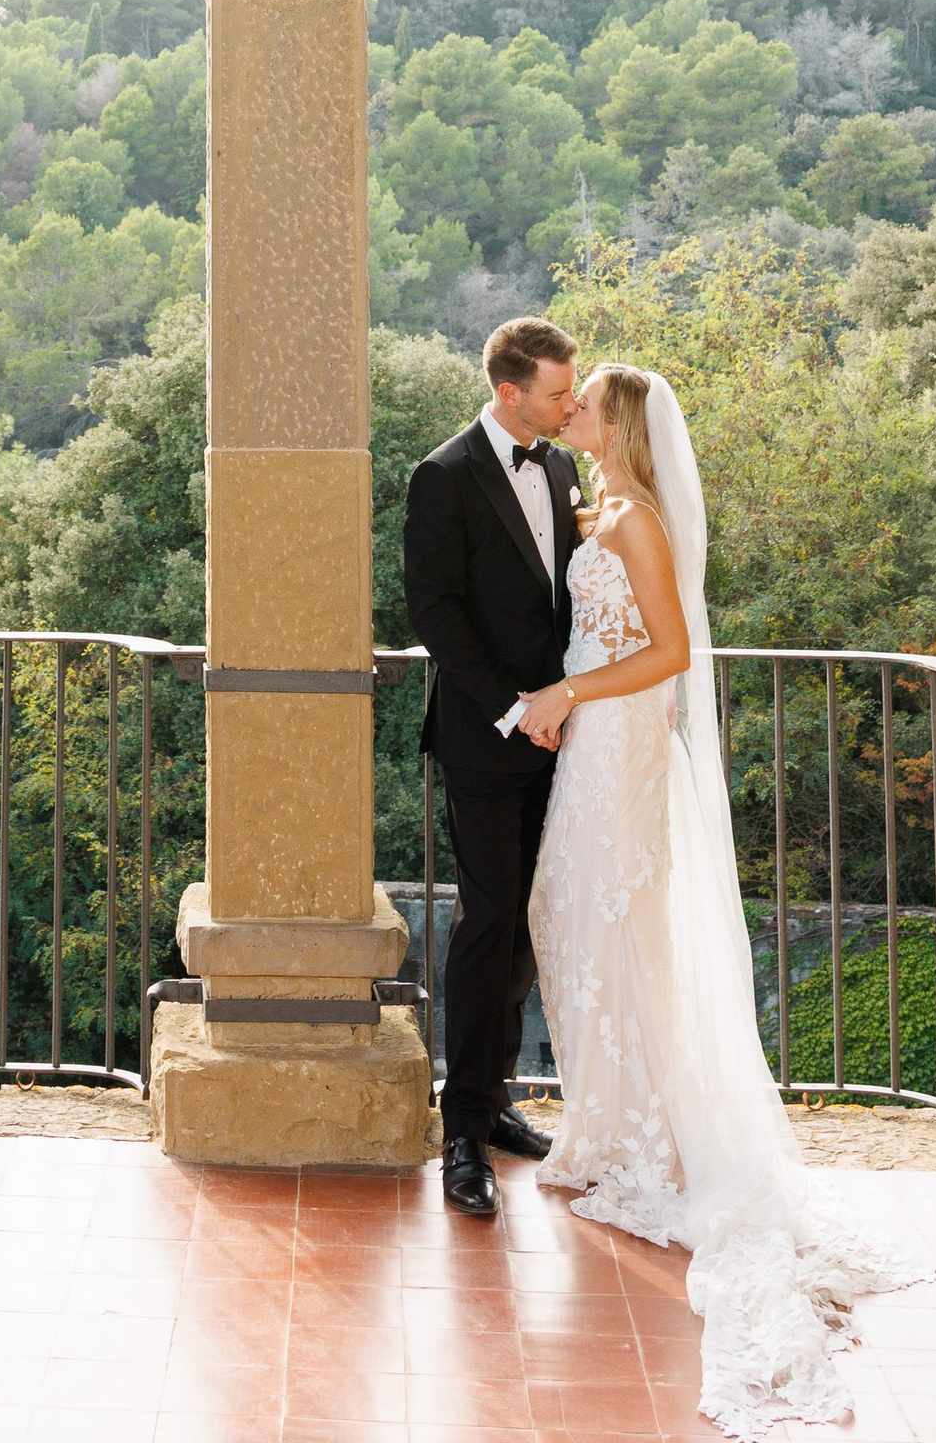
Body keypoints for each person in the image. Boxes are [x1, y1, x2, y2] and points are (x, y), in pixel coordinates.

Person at [521, 360, 925, 1439]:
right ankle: (604, 1123)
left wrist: (567, 689)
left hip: (619, 745)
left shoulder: (640, 520)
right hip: (590, 743)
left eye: (588, 399)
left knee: (613, 925)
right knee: (567, 919)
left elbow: (670, 650)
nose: (575, 410)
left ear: (619, 420)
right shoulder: (596, 501)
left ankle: (635, 1140)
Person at [400, 315, 585, 1222]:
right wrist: (516, 709)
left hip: (568, 739)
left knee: (526, 926)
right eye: (557, 392)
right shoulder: (442, 475)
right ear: (510, 391)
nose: (570, 404)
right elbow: (435, 614)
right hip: (486, 736)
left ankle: (498, 1095)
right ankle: (461, 1132)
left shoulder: (559, 466)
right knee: (485, 925)